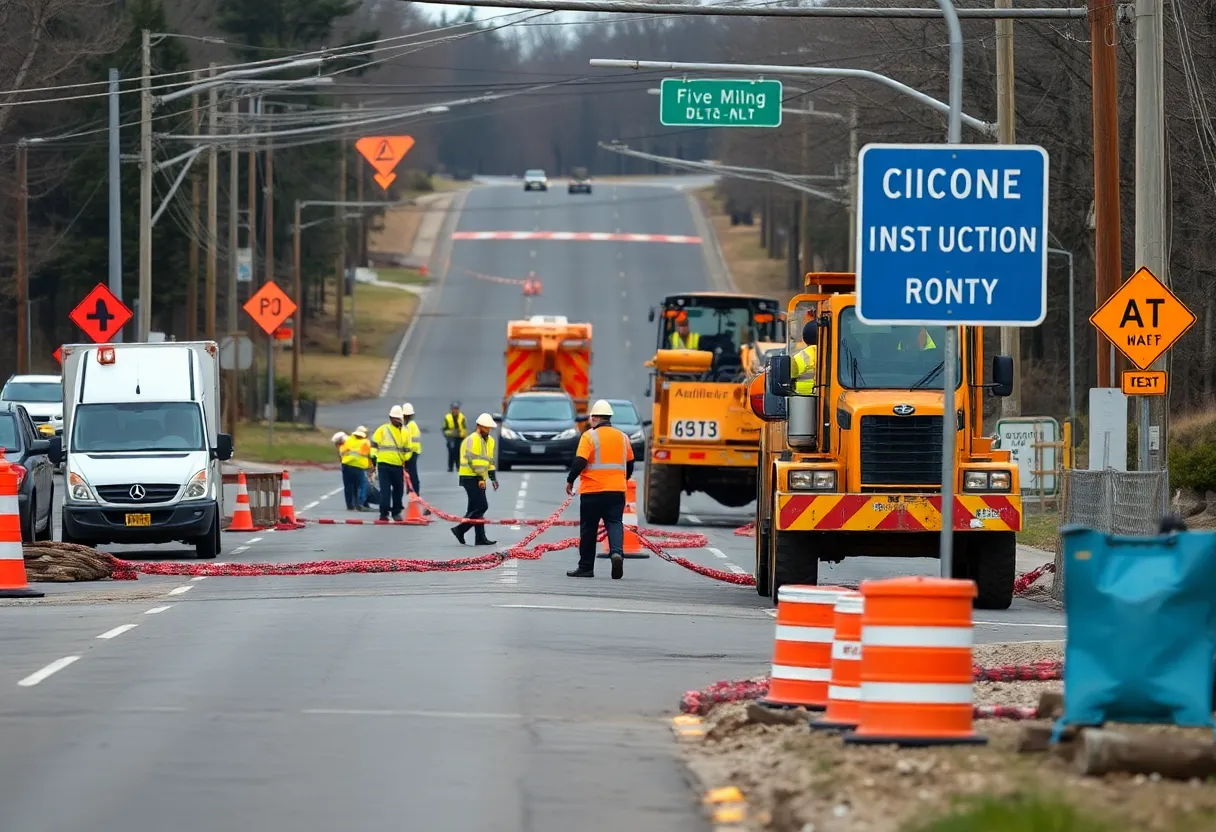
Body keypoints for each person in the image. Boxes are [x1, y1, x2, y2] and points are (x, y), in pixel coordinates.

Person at [565, 399, 634, 581]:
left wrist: (571, 480)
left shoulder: (589, 436)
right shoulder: (623, 437)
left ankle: (586, 567)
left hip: (592, 491)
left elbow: (580, 461)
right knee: (614, 523)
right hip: (616, 491)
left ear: (594, 418)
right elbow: (630, 463)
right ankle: (616, 554)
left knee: (589, 529)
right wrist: (622, 480)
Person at [452, 413, 499, 546]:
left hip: (479, 478)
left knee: (474, 508)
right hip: (470, 477)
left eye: (489, 427)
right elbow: (474, 462)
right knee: (482, 506)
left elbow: (489, 461)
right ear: (479, 426)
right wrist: (480, 479)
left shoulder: (490, 441)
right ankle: (460, 529)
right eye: (486, 427)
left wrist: (493, 478)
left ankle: (480, 538)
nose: (488, 430)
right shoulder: (472, 439)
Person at [371, 405, 411, 522]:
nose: (397, 421)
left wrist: (406, 459)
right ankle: (384, 513)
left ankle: (396, 512)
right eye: (395, 418)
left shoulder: (405, 432)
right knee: (385, 490)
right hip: (384, 464)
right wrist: (374, 458)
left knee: (398, 489)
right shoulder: (383, 429)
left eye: (399, 418)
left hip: (398, 465)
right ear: (390, 418)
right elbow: (373, 445)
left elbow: (408, 449)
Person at [400, 402, 428, 514]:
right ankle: (412, 493)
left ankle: (414, 494)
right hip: (410, 453)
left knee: (411, 475)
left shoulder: (410, 426)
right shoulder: (408, 424)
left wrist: (406, 455)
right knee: (409, 476)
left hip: (412, 453)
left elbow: (411, 443)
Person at [340, 427, 372, 511]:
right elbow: (369, 454)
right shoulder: (365, 442)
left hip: (346, 465)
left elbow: (341, 452)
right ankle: (360, 503)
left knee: (348, 486)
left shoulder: (348, 440)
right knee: (361, 486)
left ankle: (350, 505)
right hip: (359, 467)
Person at [789, 318, 818, 395]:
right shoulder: (839, 356)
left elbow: (787, 382)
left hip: (802, 401)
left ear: (805, 338)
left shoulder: (797, 358)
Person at [443, 401, 467, 473]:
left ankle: (458, 466)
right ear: (451, 409)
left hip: (459, 437)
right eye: (454, 409)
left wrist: (462, 434)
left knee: (458, 452)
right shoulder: (447, 417)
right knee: (451, 452)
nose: (455, 410)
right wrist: (450, 433)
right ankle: (450, 467)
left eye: (456, 409)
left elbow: (464, 428)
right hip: (451, 437)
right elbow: (444, 429)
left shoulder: (462, 417)